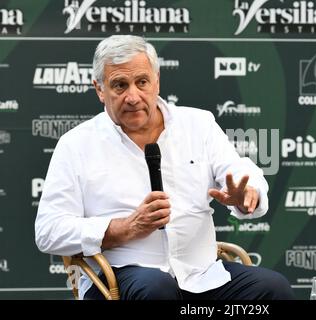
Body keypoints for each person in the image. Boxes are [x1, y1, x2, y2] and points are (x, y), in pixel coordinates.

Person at [35, 35, 295, 300]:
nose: (133, 96)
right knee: (157, 289)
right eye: (120, 85)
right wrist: (123, 228)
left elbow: (238, 171)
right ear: (100, 89)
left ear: (156, 81)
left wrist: (246, 194)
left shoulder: (198, 125)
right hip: (121, 278)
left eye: (142, 82)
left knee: (274, 288)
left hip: (201, 275)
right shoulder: (76, 144)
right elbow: (48, 231)